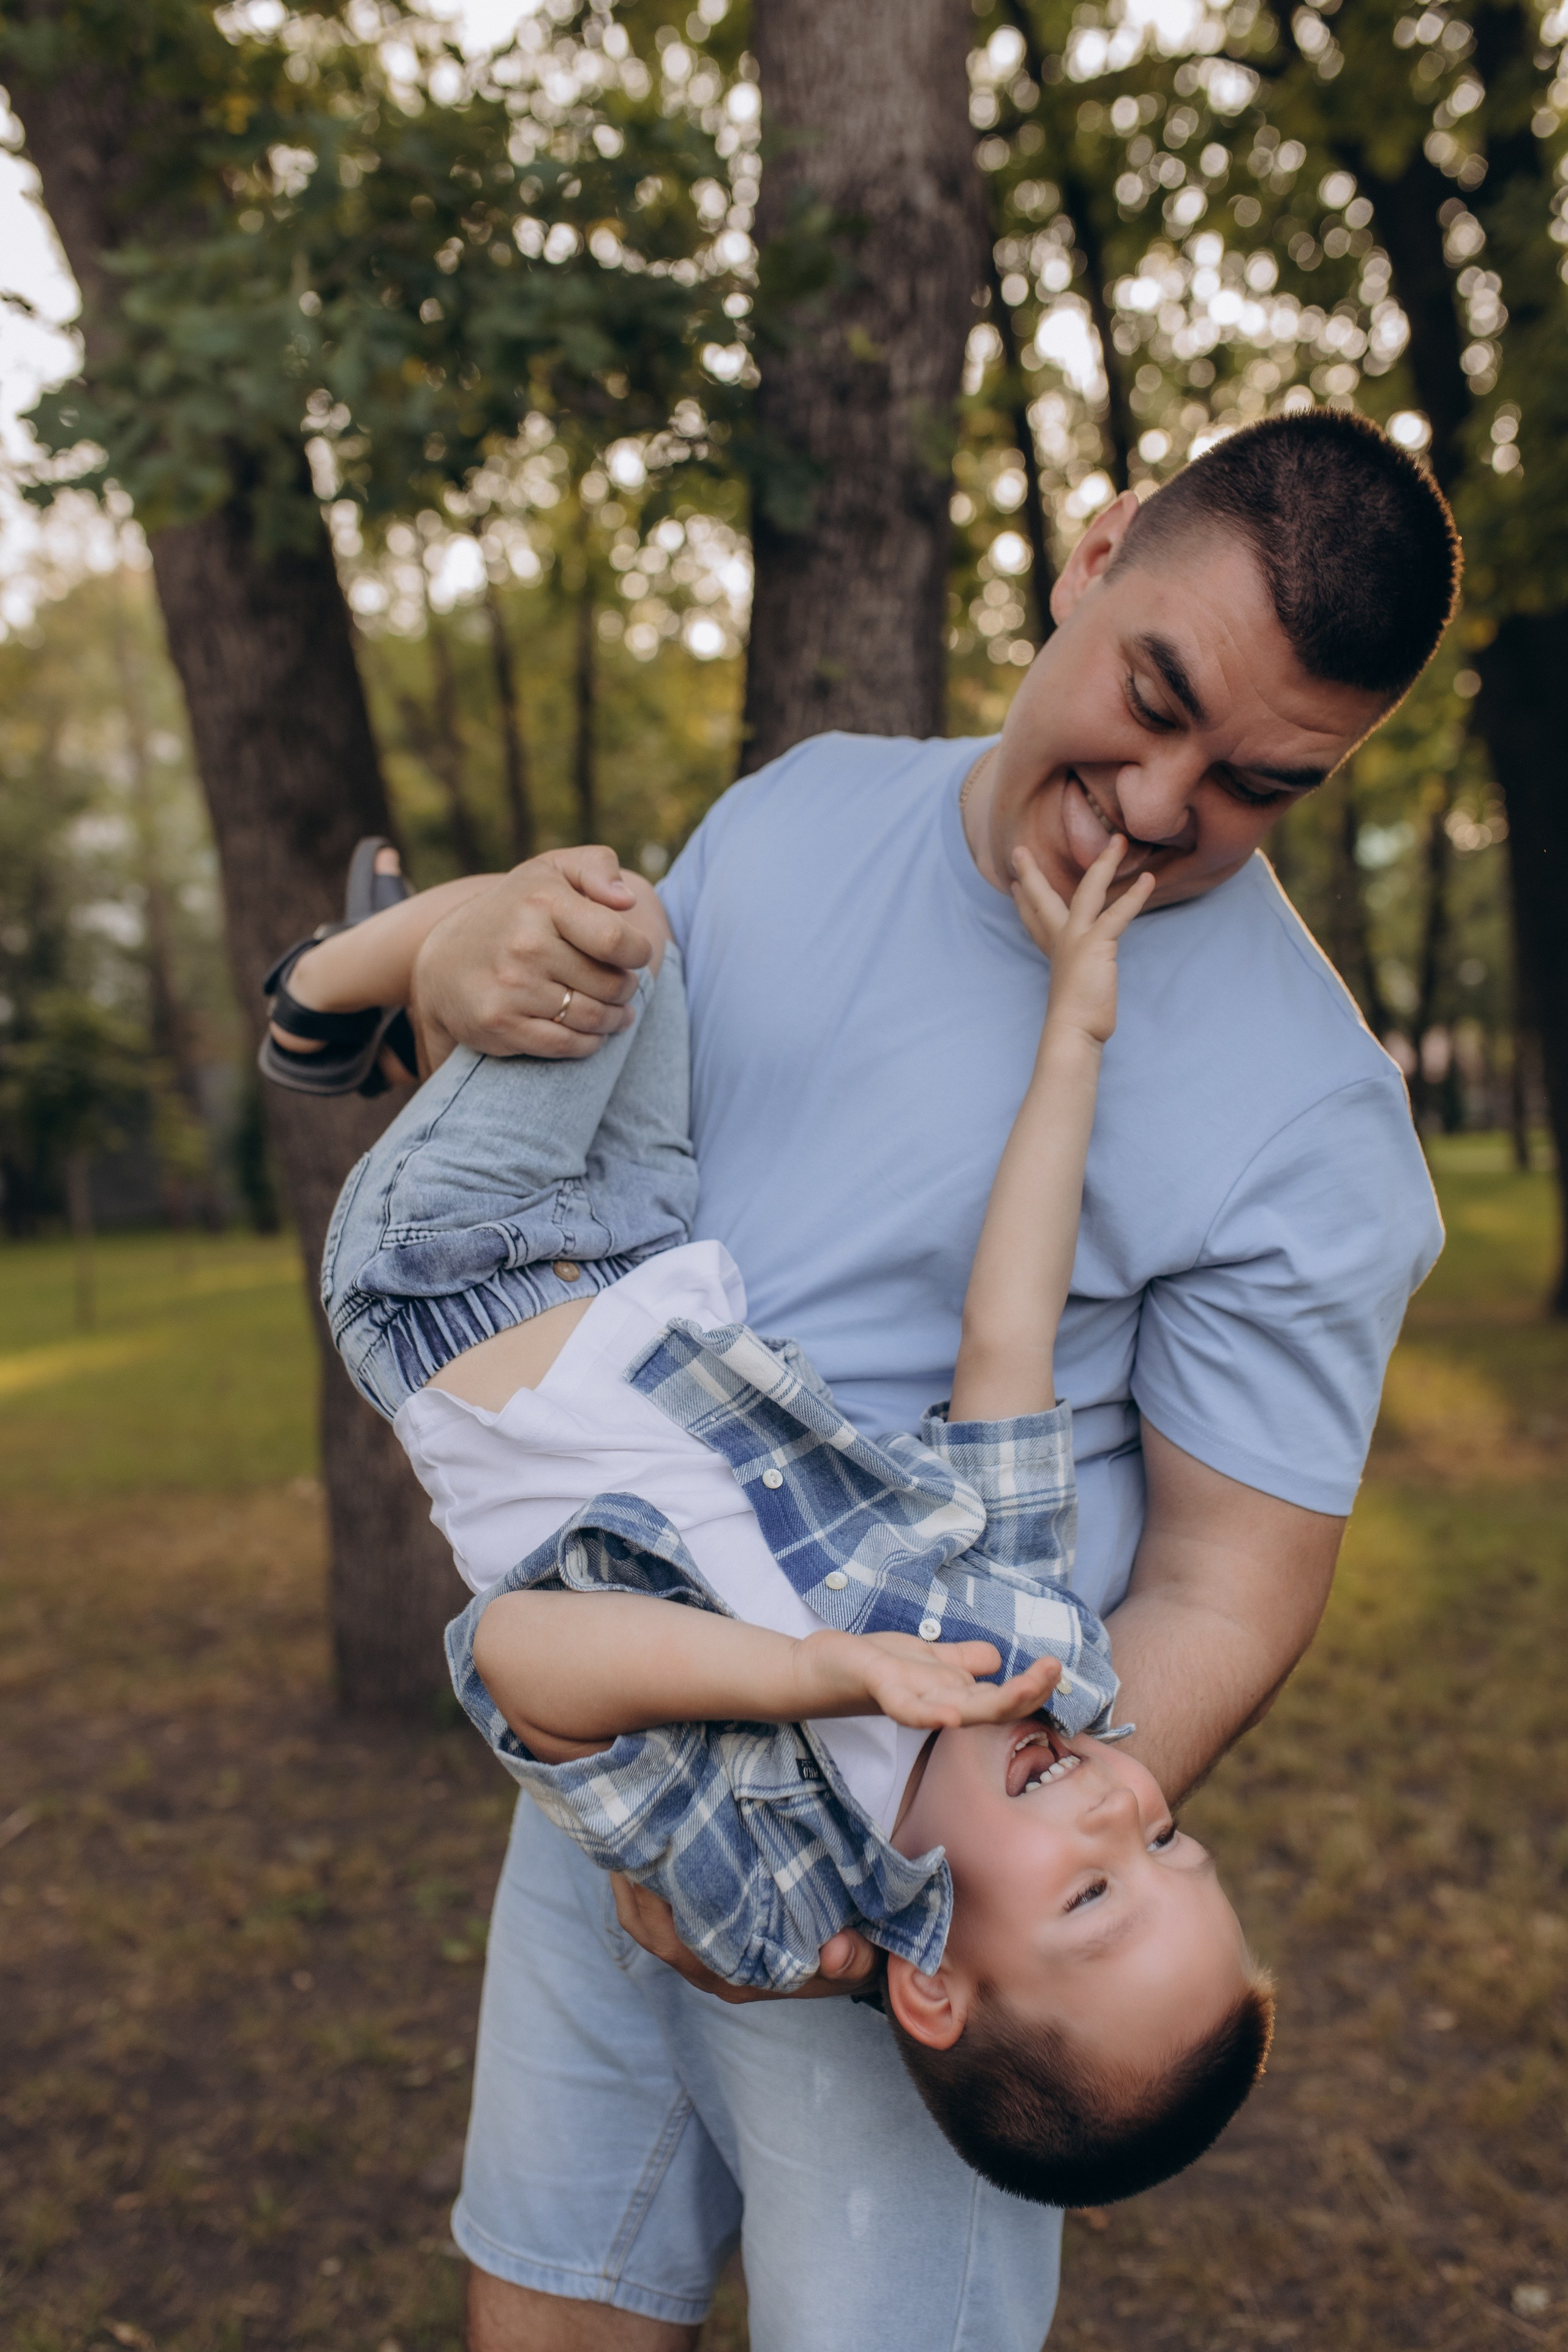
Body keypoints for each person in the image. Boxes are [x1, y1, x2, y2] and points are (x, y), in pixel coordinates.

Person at [269, 412, 1459, 2350]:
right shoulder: (804, 810)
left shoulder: (1314, 1121)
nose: (1162, 806)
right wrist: (466, 965)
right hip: (625, 1754)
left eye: (1261, 785)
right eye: (1157, 698)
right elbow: (599, 1165)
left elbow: (1234, 1589)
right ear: (1096, 554)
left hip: (906, 1902)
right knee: (552, 2306)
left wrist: (975, 1853)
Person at [280, 826, 1272, 2210]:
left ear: (934, 1988)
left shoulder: (768, 1891)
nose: (1122, 1803)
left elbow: (514, 1653)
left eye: (1092, 1893)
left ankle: (322, 992)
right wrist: (1075, 1031)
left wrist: (812, 1673)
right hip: (641, 1234)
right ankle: (393, 1008)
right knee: (630, 924)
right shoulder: (1036, 1647)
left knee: (591, 915)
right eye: (1169, 1843)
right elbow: (1009, 1333)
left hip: (448, 1278)